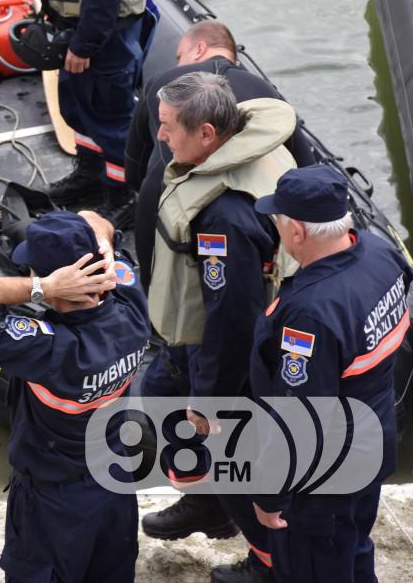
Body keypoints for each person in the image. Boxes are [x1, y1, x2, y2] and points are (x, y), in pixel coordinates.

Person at [142, 72, 300, 583]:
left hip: (213, 349)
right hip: (193, 341)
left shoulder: (224, 217)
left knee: (234, 464)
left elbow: (232, 318)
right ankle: (205, 500)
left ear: (208, 134)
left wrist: (209, 400)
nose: (161, 136)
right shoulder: (259, 150)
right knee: (158, 392)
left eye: (167, 127)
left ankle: (265, 559)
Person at [0, 210, 151, 581]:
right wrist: (102, 251)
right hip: (114, 483)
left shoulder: (50, 349)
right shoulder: (132, 310)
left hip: (53, 502)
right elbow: (97, 220)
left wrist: (43, 289)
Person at [249, 165, 412, 583]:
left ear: (298, 233)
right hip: (373, 443)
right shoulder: (379, 253)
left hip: (323, 479)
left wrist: (270, 495)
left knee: (313, 566)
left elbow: (301, 419)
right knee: (354, 548)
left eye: (279, 221)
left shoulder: (310, 313)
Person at [125, 19, 315, 290]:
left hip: (160, 196)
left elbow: (135, 162)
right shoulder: (264, 90)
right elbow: (307, 167)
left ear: (199, 49)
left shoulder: (164, 84)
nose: (179, 64)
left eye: (180, 56)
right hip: (253, 209)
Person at [37, 0, 151, 227]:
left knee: (109, 114)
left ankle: (125, 194)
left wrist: (85, 44)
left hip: (103, 32)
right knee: (76, 106)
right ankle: (91, 172)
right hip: (73, 22)